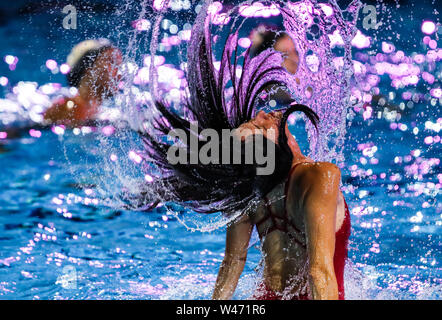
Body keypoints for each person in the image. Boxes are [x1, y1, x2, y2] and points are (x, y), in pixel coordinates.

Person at [138, 19, 350, 300]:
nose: (263, 115)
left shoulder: (247, 190)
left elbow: (233, 263)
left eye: (253, 120)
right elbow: (318, 272)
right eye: (259, 128)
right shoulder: (320, 175)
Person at [44, 39, 122, 126]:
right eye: (111, 62)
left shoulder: (103, 112)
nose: (120, 72)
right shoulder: (68, 110)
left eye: (119, 64)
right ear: (88, 69)